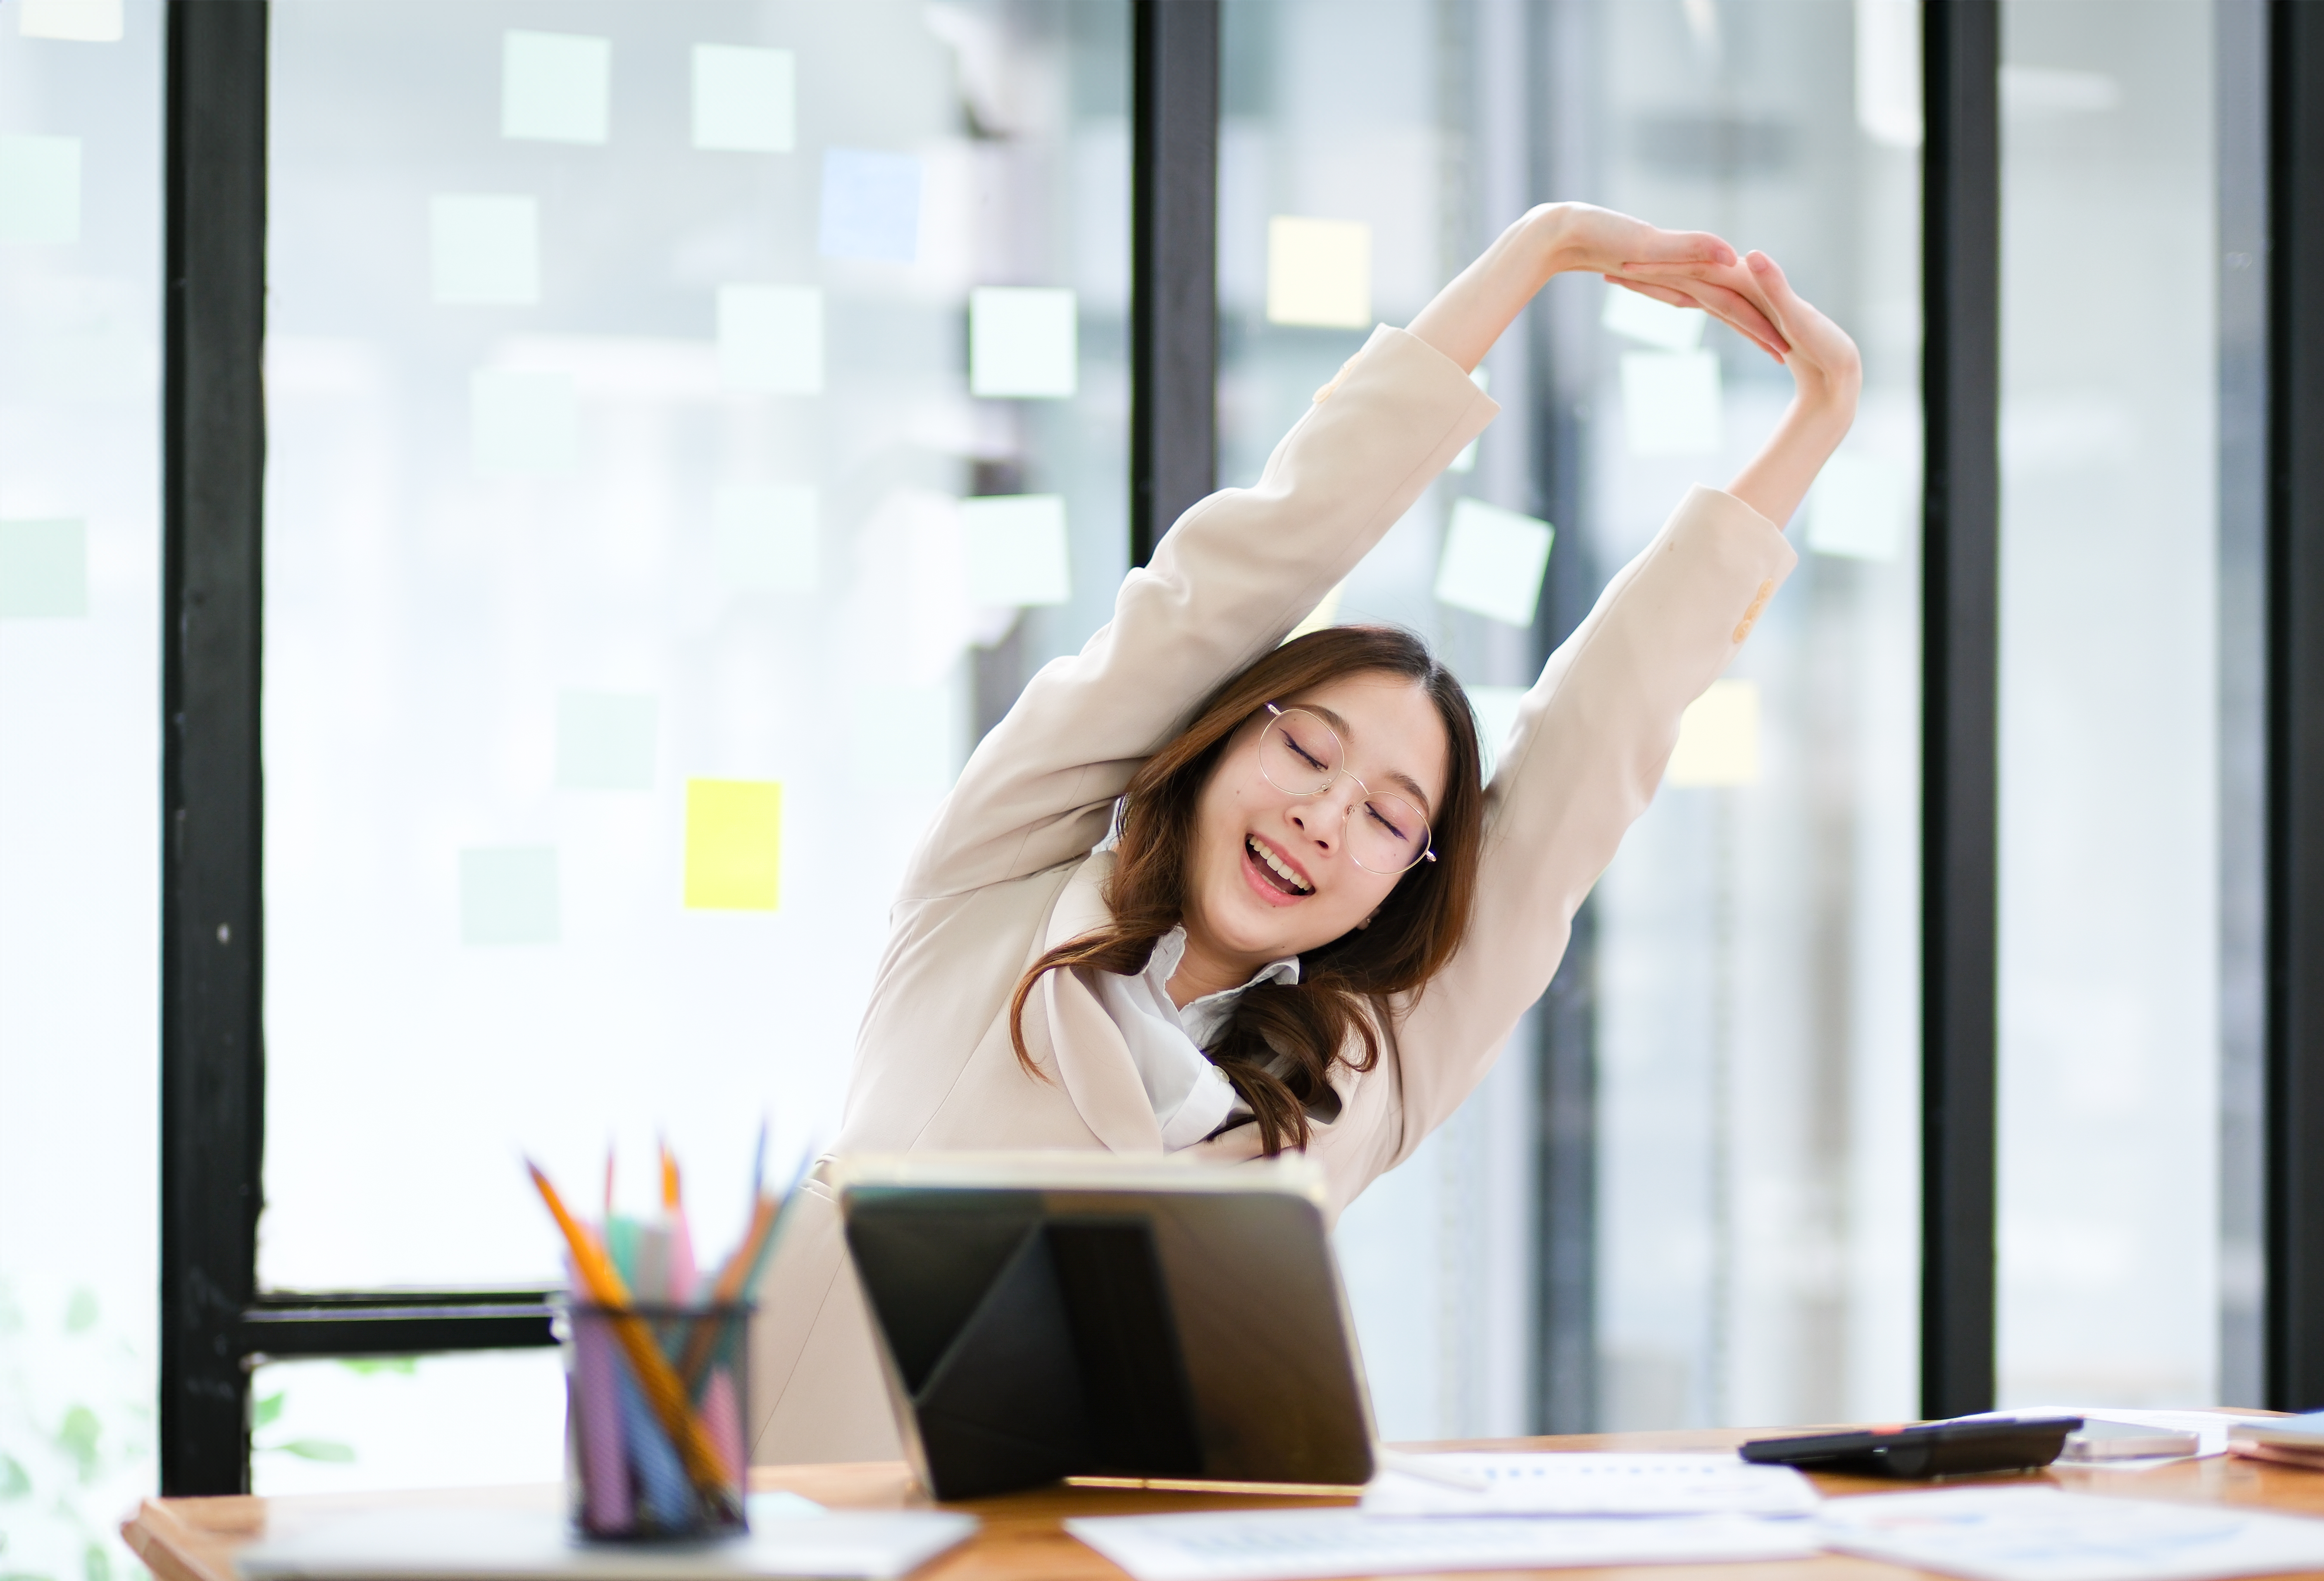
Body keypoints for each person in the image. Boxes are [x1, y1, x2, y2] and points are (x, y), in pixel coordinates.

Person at [750, 202, 1861, 1461]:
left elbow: (1594, 755)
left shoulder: (1363, 1077)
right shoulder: (999, 874)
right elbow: (1237, 571)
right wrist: (1538, 252)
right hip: (814, 1550)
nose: (1325, 818)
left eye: (1391, 817)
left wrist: (1820, 417)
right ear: (1221, 732)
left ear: (1409, 880)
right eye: (1304, 747)